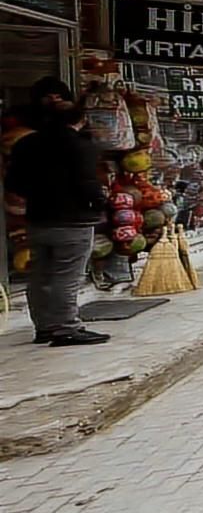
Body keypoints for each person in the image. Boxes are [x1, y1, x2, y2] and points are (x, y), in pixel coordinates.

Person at [4, 86, 112, 347]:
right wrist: (100, 204)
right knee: (67, 275)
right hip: (73, 221)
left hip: (38, 218)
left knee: (40, 274)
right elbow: (88, 183)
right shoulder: (81, 146)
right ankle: (66, 328)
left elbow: (13, 182)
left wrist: (37, 196)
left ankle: (44, 327)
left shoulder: (26, 143)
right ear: (80, 119)